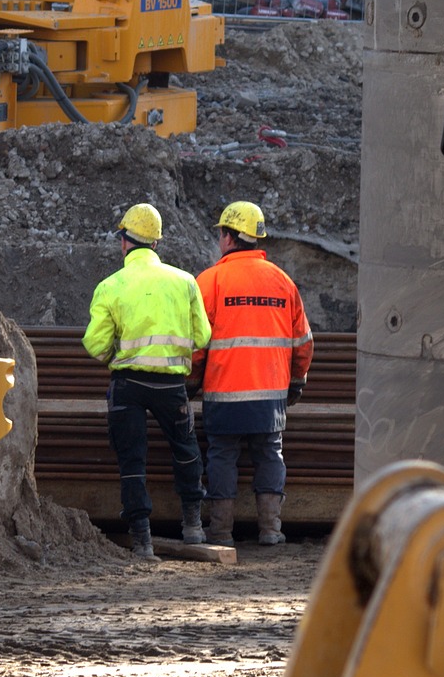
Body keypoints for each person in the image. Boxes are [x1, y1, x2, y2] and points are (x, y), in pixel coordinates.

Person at [83, 202, 212, 560]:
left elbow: (94, 343)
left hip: (129, 385)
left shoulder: (111, 286)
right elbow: (202, 337)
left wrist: (118, 358)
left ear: (124, 242)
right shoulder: (185, 282)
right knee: (185, 451)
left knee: (132, 459)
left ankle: (142, 540)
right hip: (172, 387)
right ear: (156, 243)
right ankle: (193, 527)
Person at [193, 200, 312, 546]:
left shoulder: (211, 281)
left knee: (221, 456)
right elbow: (303, 342)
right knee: (269, 453)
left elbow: (197, 344)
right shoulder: (282, 282)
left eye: (221, 234)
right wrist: (296, 381)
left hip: (224, 394)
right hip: (271, 395)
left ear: (230, 238)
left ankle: (220, 531)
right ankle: (271, 529)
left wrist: (192, 381)